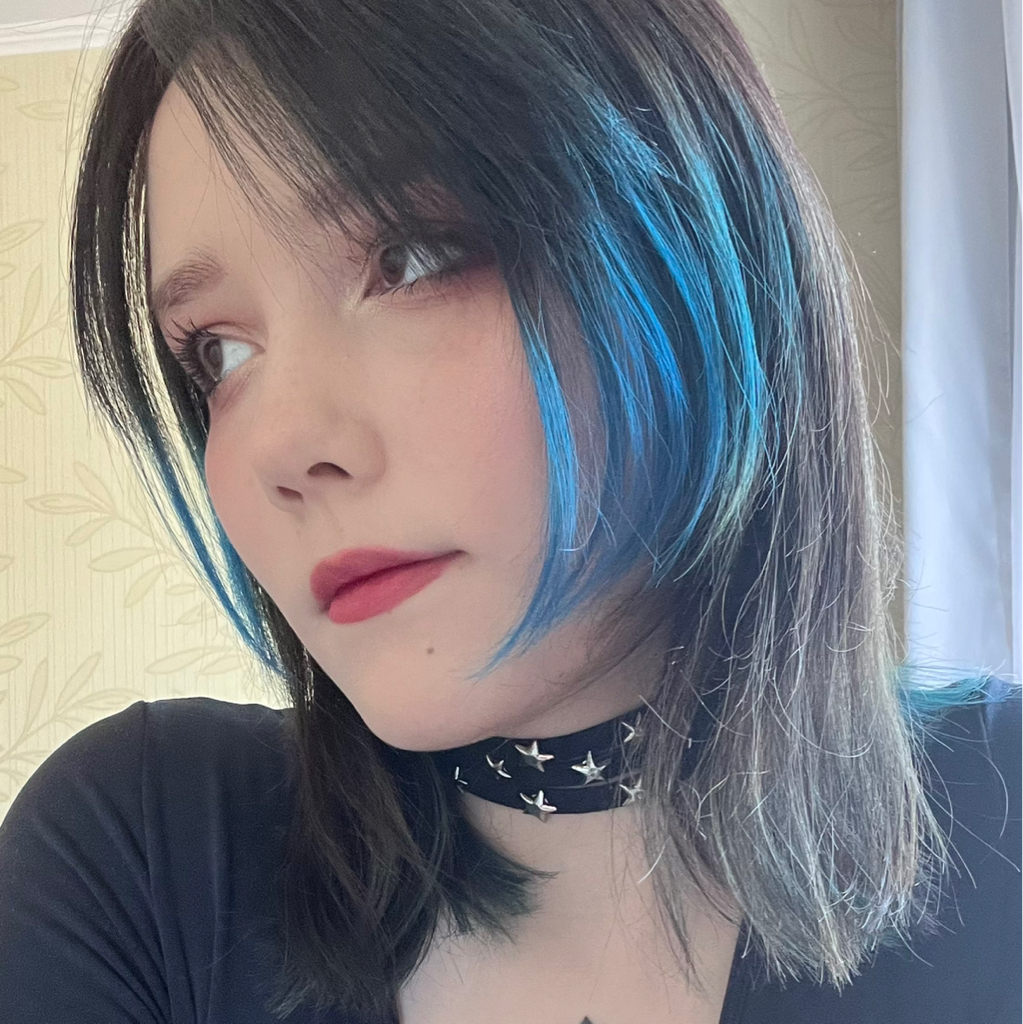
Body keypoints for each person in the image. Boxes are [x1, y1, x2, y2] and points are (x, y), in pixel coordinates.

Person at [0, 0, 1018, 1021]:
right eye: (218, 352)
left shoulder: (1002, 813)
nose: (280, 448)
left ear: (695, 250)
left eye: (411, 257)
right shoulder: (140, 856)